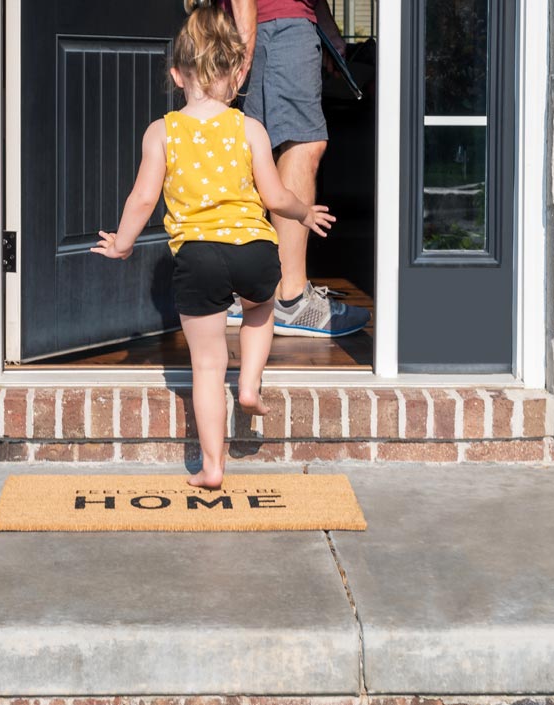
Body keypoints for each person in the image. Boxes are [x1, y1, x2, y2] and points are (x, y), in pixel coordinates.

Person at [91, 0, 335, 489]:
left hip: (199, 256)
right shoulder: (251, 129)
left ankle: (212, 466)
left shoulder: (162, 132)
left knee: (206, 365)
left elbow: (142, 198)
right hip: (255, 249)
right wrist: (304, 213)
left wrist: (122, 242)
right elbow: (275, 195)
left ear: (178, 75)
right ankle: (249, 385)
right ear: (236, 75)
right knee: (260, 312)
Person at [226, 0, 372, 337]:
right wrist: (247, 46)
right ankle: (290, 299)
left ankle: (245, 292)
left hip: (277, 23)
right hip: (277, 24)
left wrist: (328, 31)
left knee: (256, 145)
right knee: (301, 144)